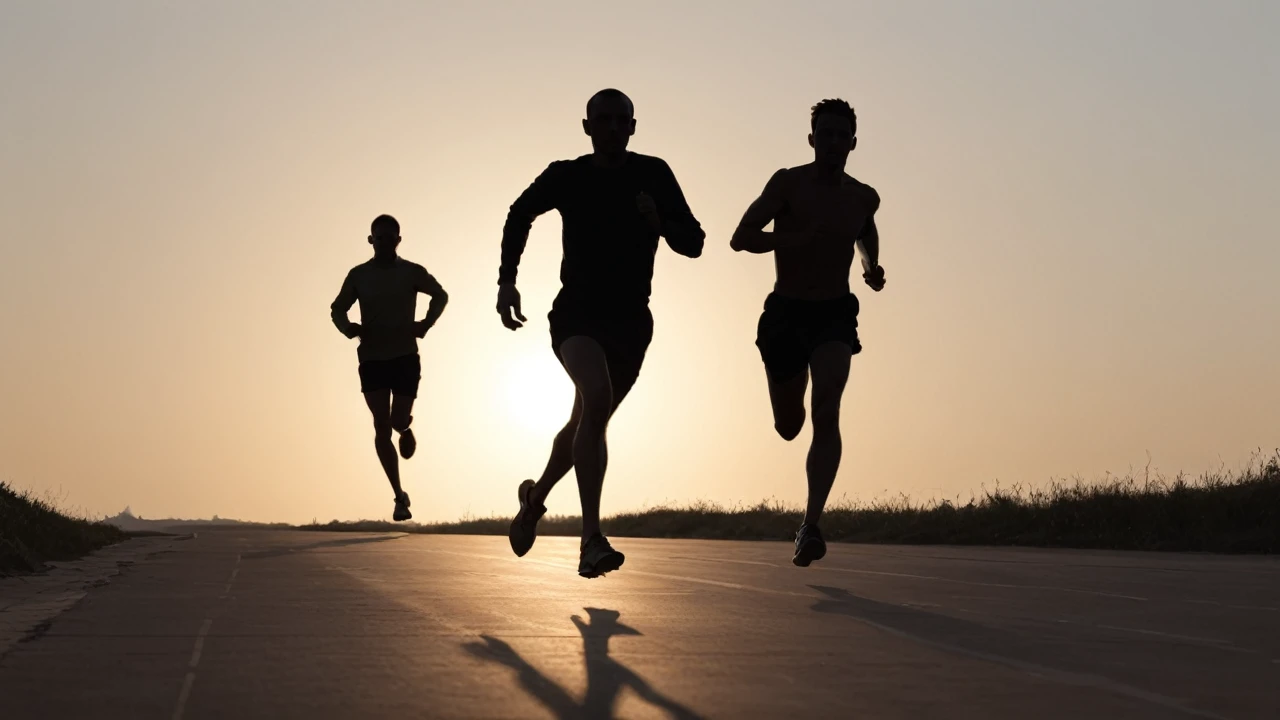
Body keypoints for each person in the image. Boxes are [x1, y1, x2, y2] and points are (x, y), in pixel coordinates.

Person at [496, 88, 705, 578]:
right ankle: (591, 538)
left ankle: (534, 498)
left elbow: (694, 242)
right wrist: (507, 279)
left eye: (621, 121)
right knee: (596, 396)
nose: (612, 128)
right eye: (603, 120)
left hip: (631, 324)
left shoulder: (654, 173)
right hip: (577, 317)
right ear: (587, 127)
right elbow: (518, 213)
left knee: (585, 423)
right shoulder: (567, 176)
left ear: (633, 127)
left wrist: (662, 221)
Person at [729, 98, 886, 567]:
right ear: (812, 138)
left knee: (828, 408)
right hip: (785, 314)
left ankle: (811, 525)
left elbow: (865, 232)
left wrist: (871, 267)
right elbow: (741, 236)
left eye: (843, 135)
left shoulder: (864, 196)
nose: (835, 142)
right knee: (789, 425)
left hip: (834, 314)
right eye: (827, 133)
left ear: (853, 143)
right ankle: (784, 402)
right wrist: (788, 239)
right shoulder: (787, 184)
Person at [331, 214, 449, 521]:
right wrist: (350, 328)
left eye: (389, 237)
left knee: (396, 421)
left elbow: (440, 295)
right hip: (371, 358)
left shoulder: (411, 272)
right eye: (378, 237)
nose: (383, 242)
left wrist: (425, 323)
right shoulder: (358, 275)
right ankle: (399, 496)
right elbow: (337, 308)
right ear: (371, 241)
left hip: (404, 356)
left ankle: (405, 427)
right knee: (381, 425)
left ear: (398, 240)